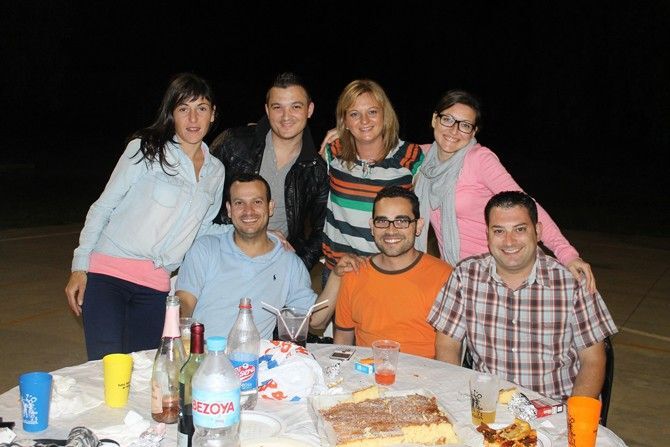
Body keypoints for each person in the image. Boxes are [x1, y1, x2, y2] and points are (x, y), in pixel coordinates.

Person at [65, 73, 227, 360]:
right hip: (108, 278)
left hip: (155, 288)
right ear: (172, 114)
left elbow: (201, 230)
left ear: (212, 114)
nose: (193, 118)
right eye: (183, 109)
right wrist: (80, 267)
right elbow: (103, 207)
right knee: (106, 369)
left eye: (201, 108)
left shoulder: (216, 171)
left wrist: (247, 232)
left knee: (143, 373)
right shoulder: (146, 149)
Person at [428, 191, 617, 401]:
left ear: (537, 231)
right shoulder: (465, 276)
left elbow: (593, 361)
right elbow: (447, 345)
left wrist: (573, 416)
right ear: (487, 234)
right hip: (489, 406)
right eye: (499, 231)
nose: (509, 241)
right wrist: (457, 398)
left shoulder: (571, 283)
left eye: (519, 229)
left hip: (554, 407)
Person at [414, 90, 596, 292]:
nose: (454, 130)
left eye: (465, 125)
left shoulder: (479, 159)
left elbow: (527, 206)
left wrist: (567, 254)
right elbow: (386, 148)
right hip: (458, 275)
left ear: (473, 132)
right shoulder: (419, 158)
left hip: (502, 270)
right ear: (434, 119)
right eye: (447, 119)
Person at [176, 173, 319, 339]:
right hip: (202, 351)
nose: (248, 211)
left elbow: (315, 320)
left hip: (256, 354)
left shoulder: (289, 262)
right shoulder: (205, 248)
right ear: (229, 210)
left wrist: (336, 278)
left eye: (257, 202)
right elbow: (184, 302)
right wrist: (178, 326)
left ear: (270, 207)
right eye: (239, 203)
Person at [210, 72, 328, 271]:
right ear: (267, 110)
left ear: (309, 109)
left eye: (296, 107)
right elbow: (200, 204)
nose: (286, 116)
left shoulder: (316, 169)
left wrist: (297, 266)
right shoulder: (233, 143)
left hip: (274, 268)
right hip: (221, 257)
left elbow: (323, 230)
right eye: (277, 107)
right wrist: (251, 232)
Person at [330, 186, 453, 358]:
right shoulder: (354, 273)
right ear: (372, 227)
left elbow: (449, 351)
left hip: (425, 373)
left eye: (401, 221)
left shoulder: (445, 277)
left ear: (418, 226)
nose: (391, 230)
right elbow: (343, 339)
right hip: (366, 372)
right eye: (382, 221)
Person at [322, 79, 424, 283]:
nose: (364, 121)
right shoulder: (333, 153)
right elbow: (310, 192)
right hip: (339, 272)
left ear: (385, 115)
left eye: (372, 112)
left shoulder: (410, 157)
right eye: (354, 114)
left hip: (390, 272)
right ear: (345, 121)